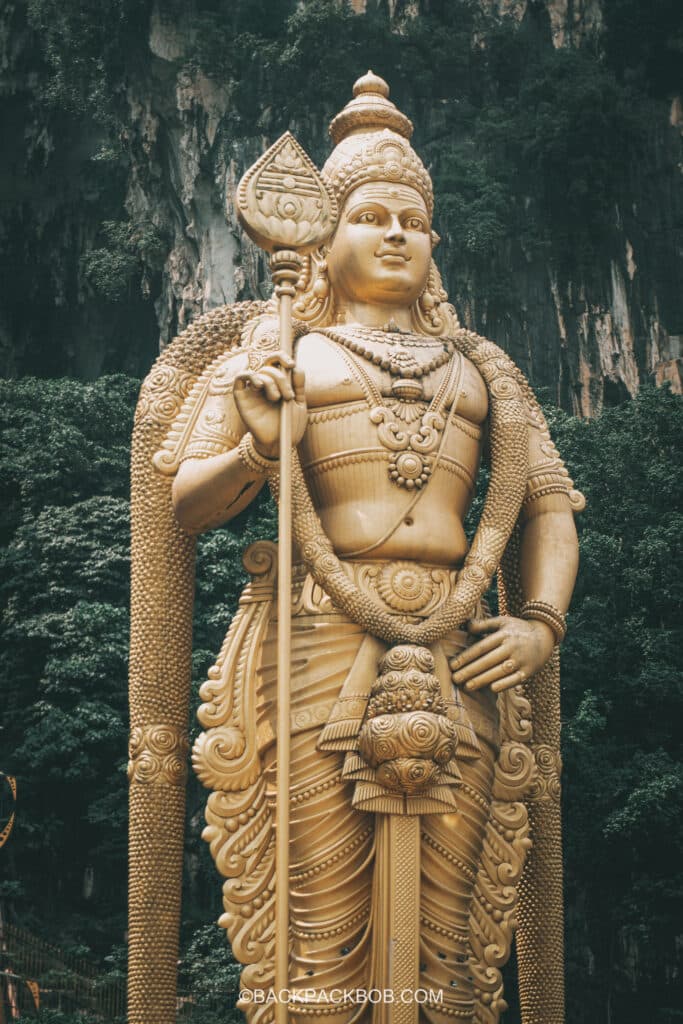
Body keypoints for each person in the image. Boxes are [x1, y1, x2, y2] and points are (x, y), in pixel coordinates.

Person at [129, 73, 583, 1024]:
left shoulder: (486, 369)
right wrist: (257, 440)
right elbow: (184, 503)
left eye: (412, 221)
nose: (392, 234)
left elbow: (544, 504)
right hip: (314, 634)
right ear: (323, 240)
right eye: (368, 216)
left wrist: (539, 622)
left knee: (457, 941)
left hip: (462, 646)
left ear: (434, 244)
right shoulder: (279, 346)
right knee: (315, 917)